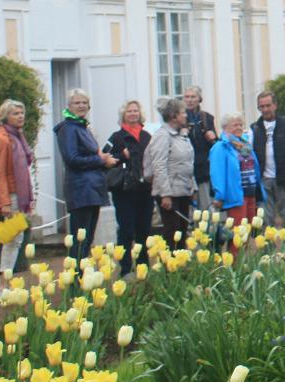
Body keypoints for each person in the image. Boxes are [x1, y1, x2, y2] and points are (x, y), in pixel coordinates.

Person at [54, 88, 118, 262]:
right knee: (80, 240)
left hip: (93, 187)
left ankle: (83, 273)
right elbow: (72, 159)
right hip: (81, 189)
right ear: (69, 106)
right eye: (77, 103)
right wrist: (100, 160)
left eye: (84, 102)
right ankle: (76, 276)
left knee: (88, 239)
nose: (81, 106)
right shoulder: (68, 129)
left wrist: (105, 161)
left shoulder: (83, 127)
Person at [105, 100, 152, 276]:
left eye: (135, 111)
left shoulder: (147, 136)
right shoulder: (116, 137)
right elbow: (104, 157)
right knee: (126, 229)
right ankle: (125, 268)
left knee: (144, 229)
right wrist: (121, 155)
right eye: (129, 111)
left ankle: (143, 266)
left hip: (144, 190)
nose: (133, 114)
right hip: (124, 191)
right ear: (123, 115)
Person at [0, 100, 34, 273]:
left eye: (22, 113)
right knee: (13, 239)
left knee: (16, 238)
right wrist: (5, 202)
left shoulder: (18, 136)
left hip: (20, 195)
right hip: (12, 195)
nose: (20, 116)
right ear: (5, 117)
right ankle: (4, 280)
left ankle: (6, 278)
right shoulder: (2, 139)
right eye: (15, 113)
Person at [144, 96, 197, 246]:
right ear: (174, 116)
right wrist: (165, 194)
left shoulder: (181, 135)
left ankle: (181, 260)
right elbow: (159, 166)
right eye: (183, 112)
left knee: (182, 233)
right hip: (170, 194)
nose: (186, 115)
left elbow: (188, 163)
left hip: (183, 191)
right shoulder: (162, 136)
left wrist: (192, 187)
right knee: (172, 233)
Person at [251, 91, 285, 226]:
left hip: (283, 179)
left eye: (268, 105)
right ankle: (268, 240)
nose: (265, 109)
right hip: (264, 179)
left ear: (275, 105)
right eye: (262, 107)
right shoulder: (255, 128)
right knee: (266, 217)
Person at [209, 112, 261, 227]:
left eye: (240, 125)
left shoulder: (245, 145)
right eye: (235, 125)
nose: (239, 127)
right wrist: (219, 195)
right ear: (225, 128)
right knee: (238, 232)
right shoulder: (220, 147)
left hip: (251, 193)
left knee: (252, 230)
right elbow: (217, 174)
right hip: (235, 196)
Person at [182, 85, 217, 211]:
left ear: (199, 99)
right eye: (187, 97)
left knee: (207, 206)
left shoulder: (207, 118)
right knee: (190, 209)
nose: (190, 100)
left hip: (203, 169)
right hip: (186, 169)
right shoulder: (180, 118)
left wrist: (213, 138)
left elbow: (215, 145)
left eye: (193, 97)